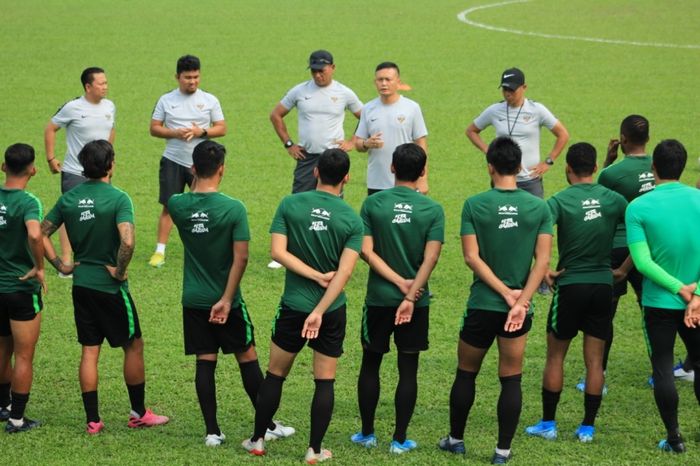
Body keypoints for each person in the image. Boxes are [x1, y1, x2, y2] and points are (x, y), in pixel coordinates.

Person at [241, 149, 363, 464]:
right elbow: (345, 273)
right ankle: (315, 450)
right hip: (331, 311)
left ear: (315, 172)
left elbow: (278, 252)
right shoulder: (352, 219)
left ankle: (257, 441)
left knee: (276, 374)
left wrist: (310, 276)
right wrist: (321, 310)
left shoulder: (290, 205)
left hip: (293, 306)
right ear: (347, 178)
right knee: (324, 380)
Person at [168, 140, 293, 446]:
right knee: (246, 357)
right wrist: (226, 299)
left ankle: (212, 431)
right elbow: (242, 258)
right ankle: (269, 425)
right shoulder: (233, 208)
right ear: (222, 169)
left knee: (205, 361)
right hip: (227, 300)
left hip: (194, 298)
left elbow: (188, 203)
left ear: (193, 169)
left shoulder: (176, 204)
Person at [40, 140, 168, 434]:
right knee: (133, 345)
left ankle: (93, 420)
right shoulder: (118, 198)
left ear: (84, 167)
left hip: (81, 284)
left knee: (89, 351)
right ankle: (138, 413)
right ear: (110, 164)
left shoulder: (69, 198)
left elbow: (40, 233)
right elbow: (128, 240)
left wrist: (61, 265)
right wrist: (120, 271)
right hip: (110, 288)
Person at [438, 137, 552, 464]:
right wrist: (520, 301)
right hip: (519, 308)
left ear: (489, 166)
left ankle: (456, 440)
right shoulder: (539, 207)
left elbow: (471, 258)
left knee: (466, 372)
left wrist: (502, 293)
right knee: (511, 377)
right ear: (519, 167)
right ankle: (502, 451)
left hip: (482, 305)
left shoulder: (474, 204)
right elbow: (542, 263)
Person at [524, 143, 627, 443]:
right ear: (595, 168)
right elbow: (638, 231)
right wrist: (622, 270)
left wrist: (543, 270)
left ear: (568, 169)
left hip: (569, 286)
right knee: (594, 362)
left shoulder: (557, 201)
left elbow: (535, 233)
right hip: (602, 287)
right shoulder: (614, 200)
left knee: (556, 357)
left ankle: (548, 424)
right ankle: (587, 428)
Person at [350, 143, 444, 454]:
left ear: (392, 168)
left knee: (371, 363)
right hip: (417, 301)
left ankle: (366, 433)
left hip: (379, 298)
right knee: (408, 368)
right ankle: (400, 439)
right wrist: (412, 289)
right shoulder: (432, 210)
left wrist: (395, 282)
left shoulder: (373, 204)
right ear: (422, 172)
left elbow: (366, 251)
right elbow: (431, 259)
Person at [625, 139, 700, 454]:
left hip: (659, 303)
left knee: (663, 366)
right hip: (697, 304)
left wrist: (678, 289)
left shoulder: (638, 207)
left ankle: (674, 438)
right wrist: (694, 293)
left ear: (653, 167)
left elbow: (642, 263)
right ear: (683, 167)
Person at [268, 50, 362, 269]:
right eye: (314, 71)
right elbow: (276, 114)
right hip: (307, 156)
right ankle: (285, 251)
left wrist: (353, 141)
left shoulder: (344, 93)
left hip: (333, 157)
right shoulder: (300, 91)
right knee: (299, 201)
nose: (318, 75)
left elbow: (364, 115)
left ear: (333, 68)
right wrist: (289, 144)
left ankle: (333, 249)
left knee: (334, 205)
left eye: (322, 70)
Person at [584, 115, 654, 390]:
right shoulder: (661, 167)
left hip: (617, 247)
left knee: (605, 313)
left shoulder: (612, 174)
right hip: (650, 247)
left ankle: (599, 375)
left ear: (622, 139)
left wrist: (606, 163)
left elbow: (596, 203)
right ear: (647, 139)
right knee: (651, 310)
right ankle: (658, 371)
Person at [148, 54, 227, 268]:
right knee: (169, 206)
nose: (192, 81)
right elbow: (154, 128)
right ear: (177, 77)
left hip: (201, 162)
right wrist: (175, 133)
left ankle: (203, 249)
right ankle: (159, 251)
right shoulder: (166, 100)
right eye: (187, 77)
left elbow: (221, 128)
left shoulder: (210, 100)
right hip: (173, 160)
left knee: (202, 206)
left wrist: (200, 131)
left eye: (196, 77)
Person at [44, 67, 115, 272]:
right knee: (71, 213)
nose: (105, 87)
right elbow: (51, 128)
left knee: (102, 213)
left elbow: (111, 131)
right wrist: (51, 158)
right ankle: (66, 260)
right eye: (101, 83)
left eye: (106, 82)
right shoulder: (72, 107)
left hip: (102, 170)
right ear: (88, 86)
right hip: (75, 171)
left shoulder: (110, 106)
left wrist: (111, 160)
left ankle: (100, 257)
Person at [465, 67, 569, 198]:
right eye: (505, 89)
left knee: (534, 217)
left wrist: (548, 161)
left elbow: (563, 134)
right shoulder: (494, 110)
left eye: (512, 90)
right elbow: (471, 131)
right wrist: (488, 151)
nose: (507, 94)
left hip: (530, 181)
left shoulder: (537, 110)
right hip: (501, 179)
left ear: (524, 87)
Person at [0, 143, 45, 433]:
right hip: (20, 288)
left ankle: (2, 405)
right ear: (32, 169)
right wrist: (39, 266)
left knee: (2, 347)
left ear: (4, 167)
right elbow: (34, 233)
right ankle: (17, 418)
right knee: (24, 355)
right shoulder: (29, 202)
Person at [355, 62, 429, 195]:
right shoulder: (368, 108)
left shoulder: (412, 108)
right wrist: (366, 143)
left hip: (407, 181)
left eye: (388, 79)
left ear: (398, 82)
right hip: (377, 181)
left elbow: (421, 144)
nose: (383, 84)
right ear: (375, 82)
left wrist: (423, 179)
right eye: (380, 80)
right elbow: (358, 144)